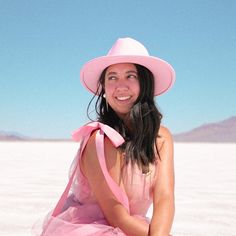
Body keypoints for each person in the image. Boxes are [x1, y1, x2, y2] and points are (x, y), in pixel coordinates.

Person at [37, 37, 175, 236]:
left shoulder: (162, 138)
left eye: (130, 76)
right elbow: (117, 216)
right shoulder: (101, 140)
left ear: (145, 83)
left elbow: (165, 197)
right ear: (103, 88)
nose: (120, 86)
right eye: (112, 77)